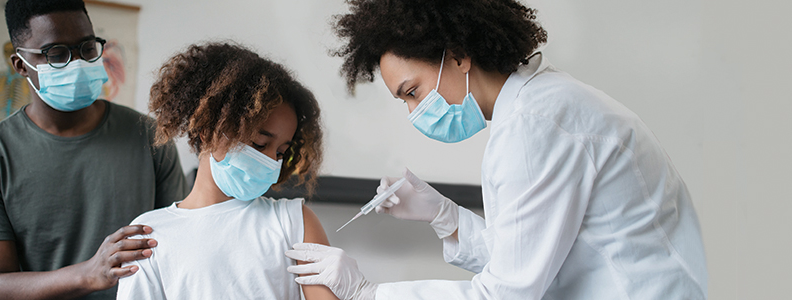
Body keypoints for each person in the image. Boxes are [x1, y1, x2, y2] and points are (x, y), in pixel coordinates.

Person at [286, 0, 708, 299]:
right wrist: (444, 215)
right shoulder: (538, 107)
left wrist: (370, 294)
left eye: (413, 92)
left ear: (458, 56)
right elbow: (530, 253)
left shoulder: (534, 127)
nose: (415, 113)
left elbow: (505, 291)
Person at [0, 1, 188, 299]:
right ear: (20, 65)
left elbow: (177, 248)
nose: (77, 62)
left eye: (87, 48)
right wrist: (89, 273)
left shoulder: (149, 136)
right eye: (57, 54)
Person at [116, 43, 337, 300]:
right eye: (259, 144)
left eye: (280, 152)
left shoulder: (294, 221)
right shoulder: (150, 234)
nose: (271, 162)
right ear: (208, 130)